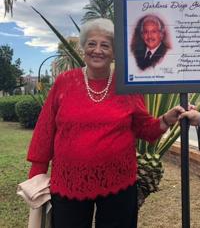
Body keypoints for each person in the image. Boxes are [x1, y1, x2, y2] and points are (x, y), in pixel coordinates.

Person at [27, 18, 185, 228]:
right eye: (92, 43)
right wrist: (37, 173)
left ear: (114, 52)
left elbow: (143, 128)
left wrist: (166, 120)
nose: (97, 50)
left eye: (105, 45)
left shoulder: (126, 83)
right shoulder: (64, 81)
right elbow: (45, 129)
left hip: (119, 183)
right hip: (68, 183)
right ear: (83, 48)